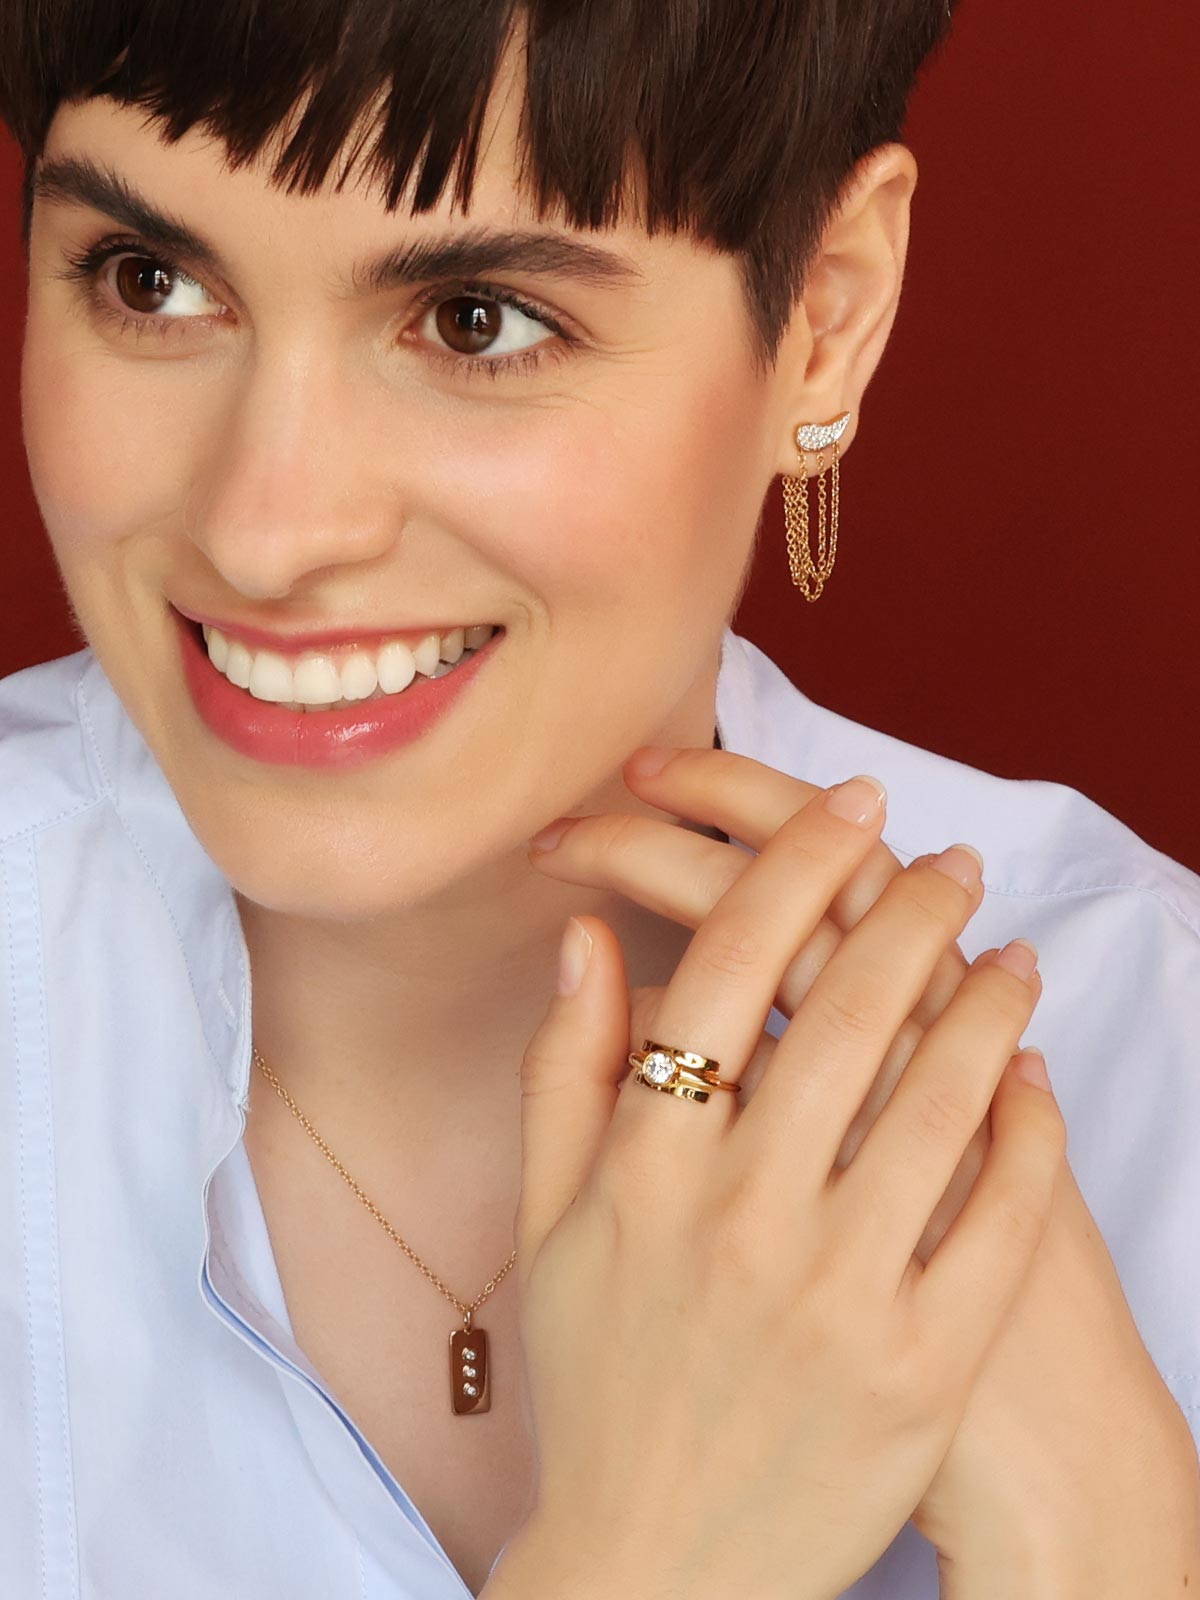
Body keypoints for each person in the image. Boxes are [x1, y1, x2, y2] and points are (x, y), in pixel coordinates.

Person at [1, 3, 1197, 1597]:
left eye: (478, 320)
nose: (265, 532)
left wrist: (1100, 1547)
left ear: (826, 317)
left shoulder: (1158, 1068)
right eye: (151, 281)